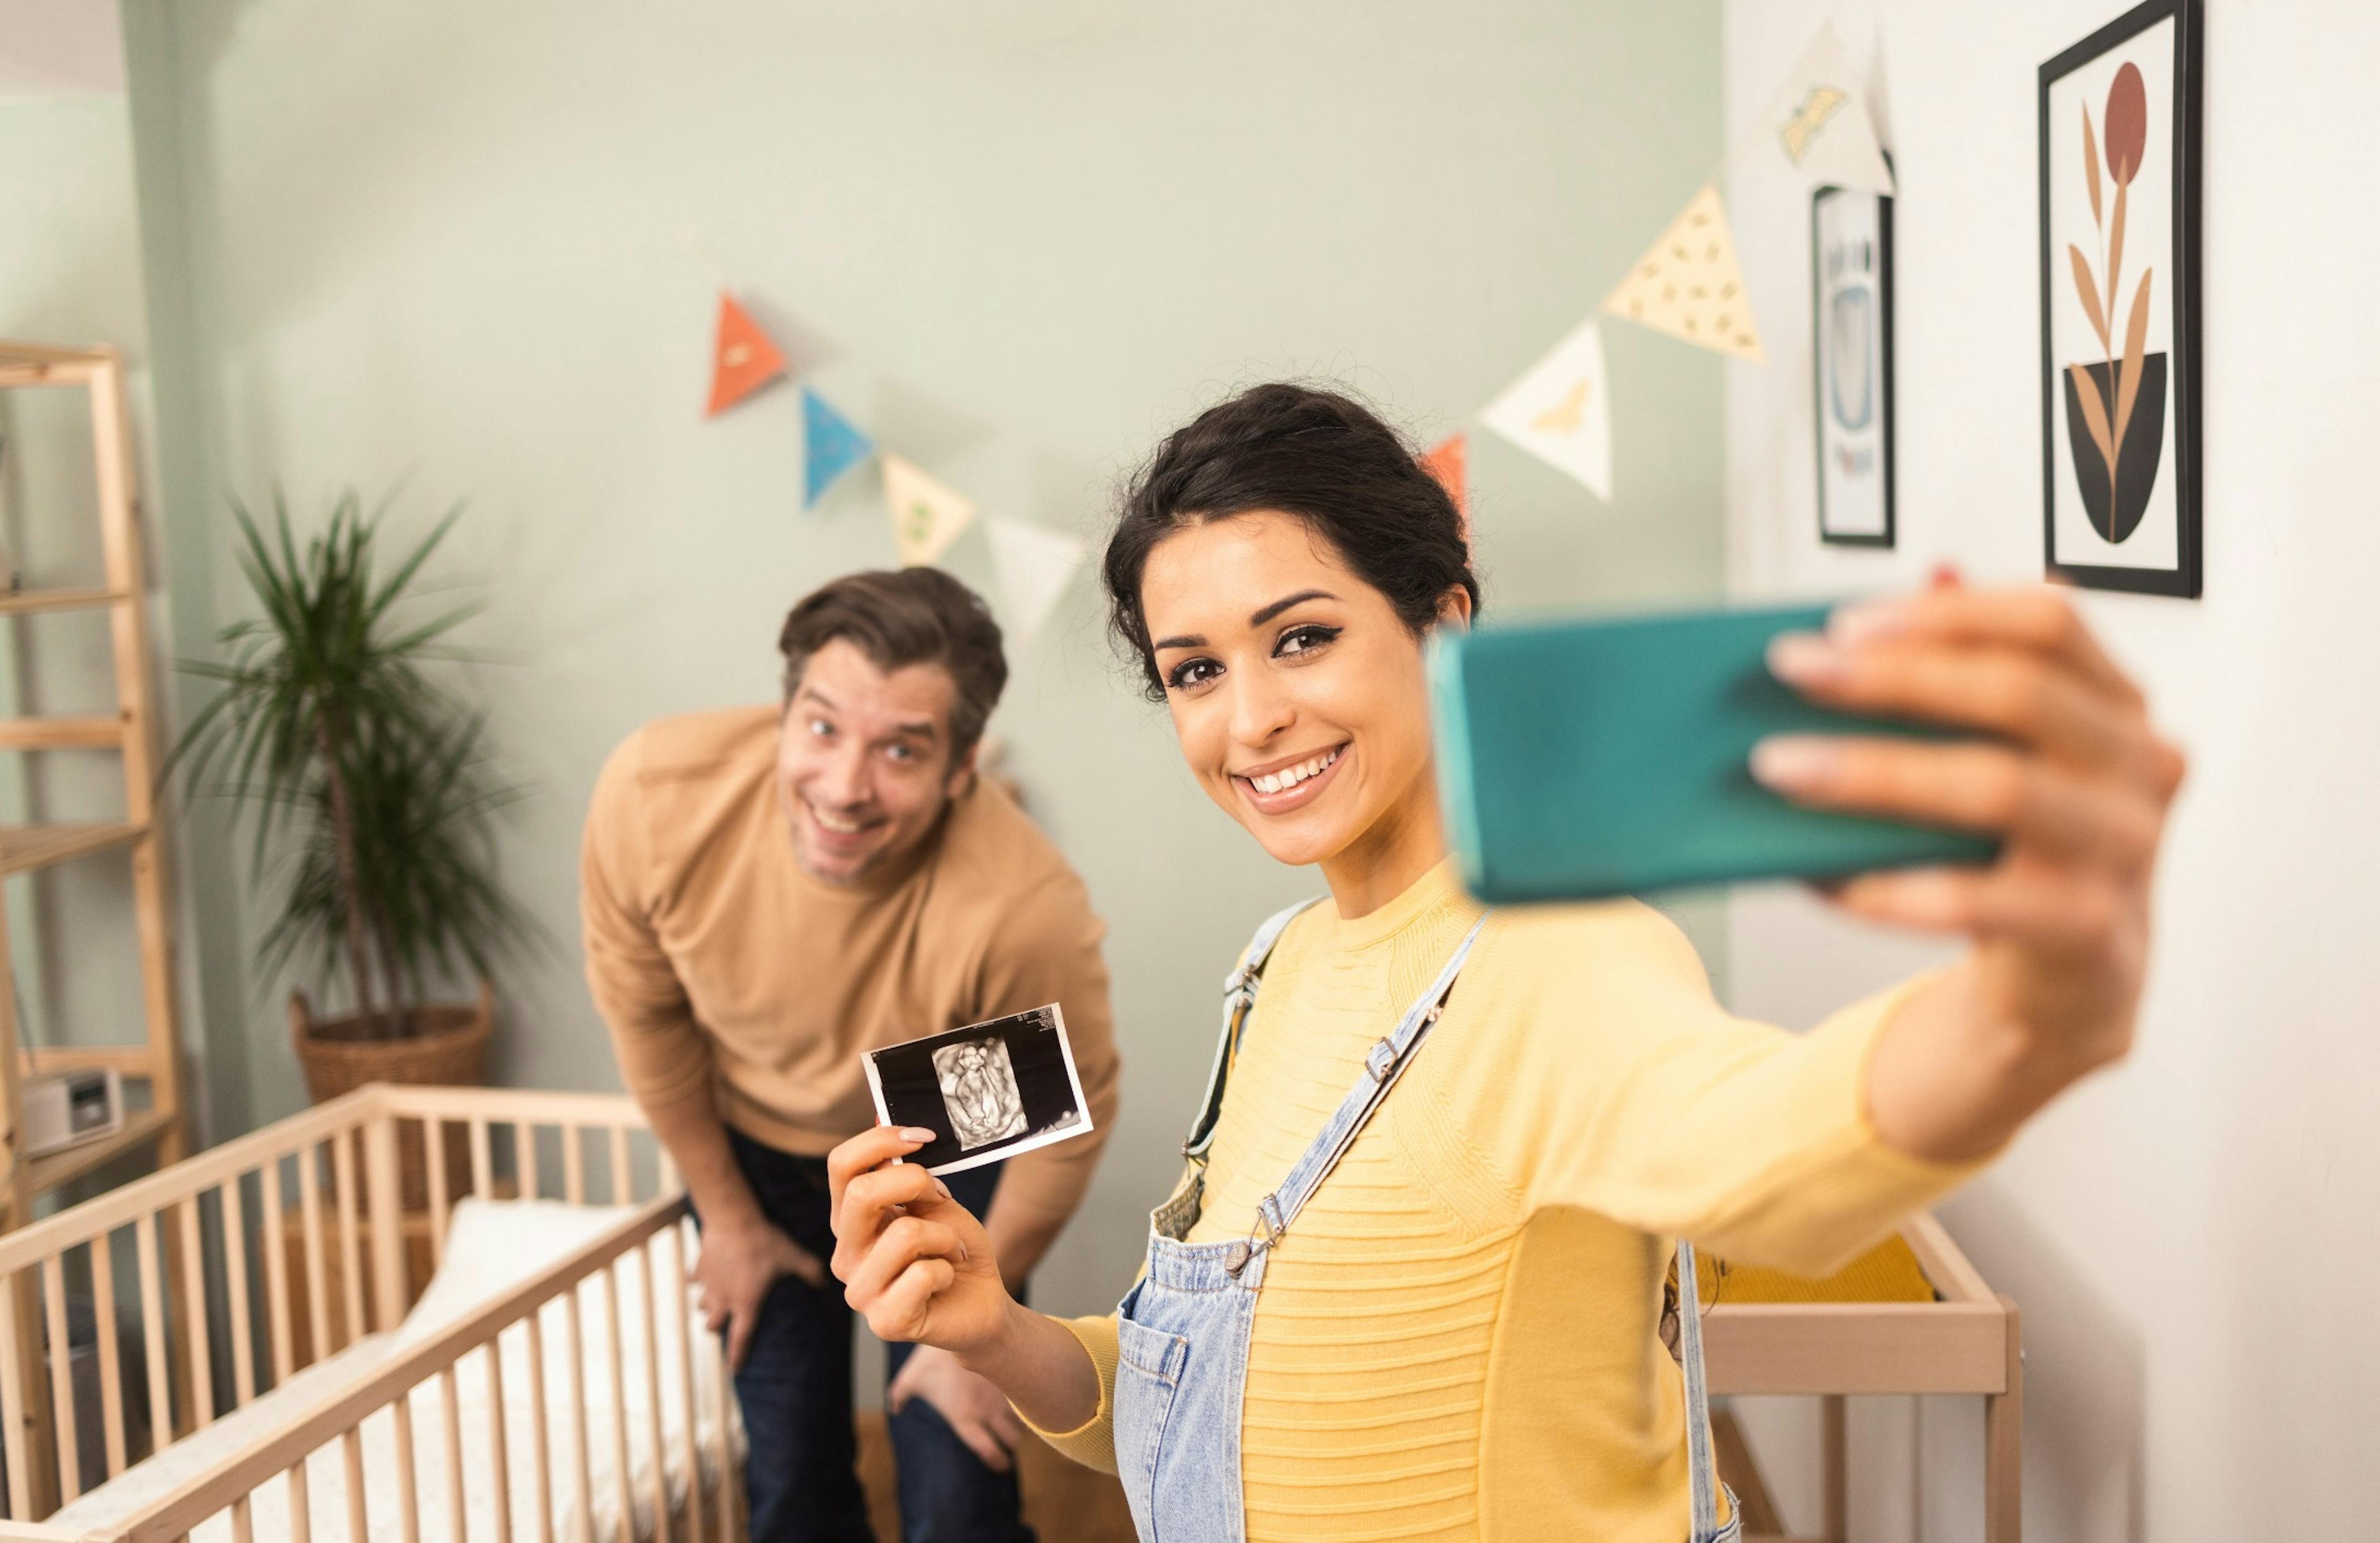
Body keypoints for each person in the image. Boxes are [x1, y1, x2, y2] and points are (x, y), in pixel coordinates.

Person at [824, 384, 2184, 1542]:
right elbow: (1195, 1410)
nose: (1252, 718)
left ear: (1445, 621)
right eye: (1194, 669)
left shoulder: (1561, 953)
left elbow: (1776, 1154)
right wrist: (989, 1323)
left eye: (1302, 636)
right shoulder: (1278, 965)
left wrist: (2037, 1006)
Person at [582, 568, 1121, 1543]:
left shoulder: (1018, 904)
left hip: (936, 1156)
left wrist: (982, 1336)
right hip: (757, 1155)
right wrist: (732, 1223)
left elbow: (1064, 1127)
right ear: (783, 714)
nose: (843, 787)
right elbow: (648, 1016)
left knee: (959, 1489)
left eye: (901, 750)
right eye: (822, 729)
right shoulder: (656, 800)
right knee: (790, 1482)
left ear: (964, 767)